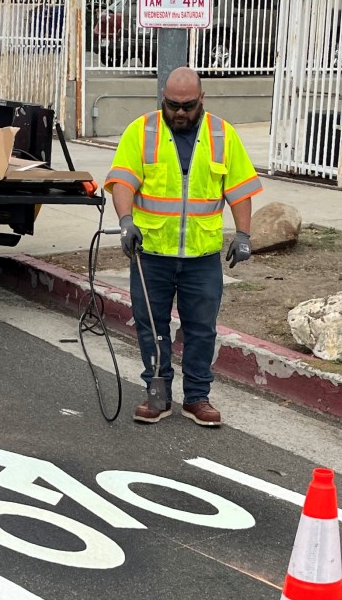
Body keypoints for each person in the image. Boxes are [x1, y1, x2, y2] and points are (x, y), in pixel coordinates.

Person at [104, 66, 262, 427]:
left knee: (201, 328)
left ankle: (197, 397)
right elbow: (124, 181)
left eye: (187, 106)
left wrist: (243, 236)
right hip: (152, 253)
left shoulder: (222, 134)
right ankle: (157, 393)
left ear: (201, 100)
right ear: (163, 98)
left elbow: (239, 190)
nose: (179, 113)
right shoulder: (143, 131)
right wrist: (126, 221)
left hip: (201, 256)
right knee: (152, 326)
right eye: (172, 104)